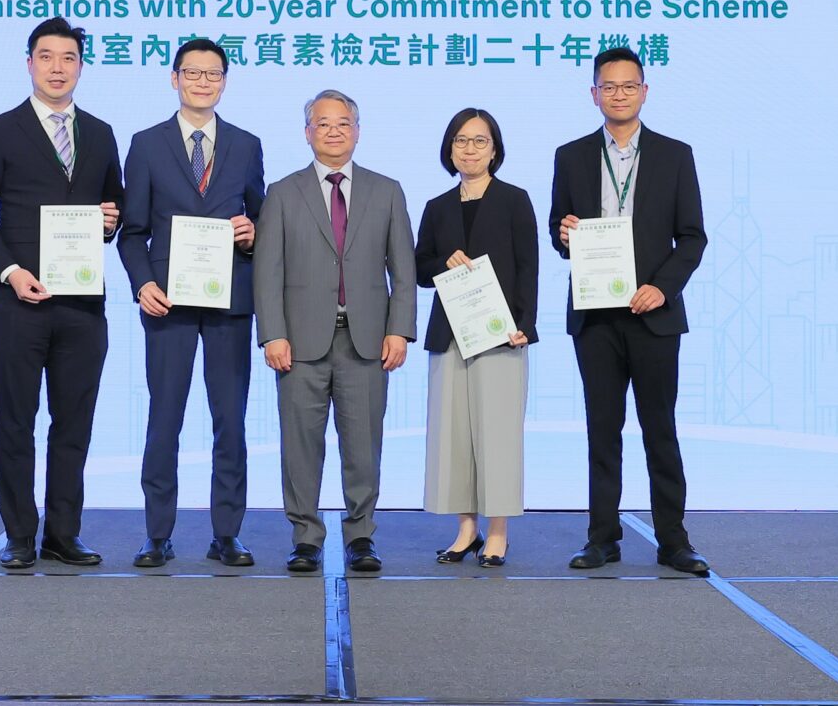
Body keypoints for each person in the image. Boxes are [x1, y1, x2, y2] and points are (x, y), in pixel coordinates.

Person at [0, 17, 124, 570]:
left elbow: (115, 206)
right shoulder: (0, 129)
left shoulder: (100, 133)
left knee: (73, 424)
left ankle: (63, 533)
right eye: (47, 57)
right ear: (29, 62)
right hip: (20, 302)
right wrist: (9, 271)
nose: (58, 68)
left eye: (69, 58)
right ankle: (18, 535)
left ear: (81, 66)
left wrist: (111, 221)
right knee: (16, 422)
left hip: (83, 304)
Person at [548, 47, 710, 575]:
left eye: (628, 85)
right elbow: (557, 230)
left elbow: (692, 237)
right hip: (595, 317)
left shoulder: (675, 155)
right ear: (593, 94)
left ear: (644, 91)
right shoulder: (570, 156)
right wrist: (564, 234)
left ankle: (674, 540)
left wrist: (662, 288)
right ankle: (602, 537)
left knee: (659, 429)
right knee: (603, 430)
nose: (618, 94)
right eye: (608, 86)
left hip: (653, 316)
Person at [116, 38, 266, 568]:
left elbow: (261, 217)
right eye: (193, 72)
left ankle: (227, 534)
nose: (203, 82)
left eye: (213, 74)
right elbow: (132, 232)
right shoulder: (146, 144)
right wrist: (142, 284)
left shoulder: (246, 145)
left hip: (230, 301)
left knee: (231, 420)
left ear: (225, 81)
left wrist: (253, 233)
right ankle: (157, 533)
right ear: (174, 78)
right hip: (168, 301)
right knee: (165, 419)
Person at [253, 89, 415, 574]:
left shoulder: (387, 191)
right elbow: (268, 271)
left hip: (366, 341)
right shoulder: (283, 192)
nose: (333, 131)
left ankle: (361, 536)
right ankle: (305, 538)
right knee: (300, 446)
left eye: (343, 123)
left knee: (363, 446)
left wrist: (400, 330)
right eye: (322, 123)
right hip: (299, 343)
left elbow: (403, 270)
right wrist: (272, 334)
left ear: (357, 132)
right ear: (308, 133)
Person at [414, 108, 538, 569]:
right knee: (454, 436)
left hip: (500, 334)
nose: (470, 149)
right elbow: (419, 267)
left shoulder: (515, 200)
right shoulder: (437, 206)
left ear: (495, 149)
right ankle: (466, 530)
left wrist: (525, 323)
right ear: (449, 150)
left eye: (479, 141)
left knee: (498, 435)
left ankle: (498, 533)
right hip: (450, 334)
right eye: (461, 141)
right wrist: (441, 263)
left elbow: (528, 267)